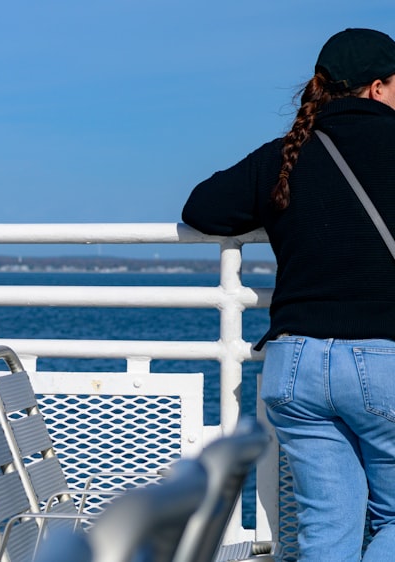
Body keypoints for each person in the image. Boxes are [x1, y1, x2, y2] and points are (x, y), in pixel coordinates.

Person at [182, 28, 395, 561]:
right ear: (376, 88)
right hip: (383, 361)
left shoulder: (287, 153)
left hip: (294, 364)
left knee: (328, 528)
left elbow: (203, 208)